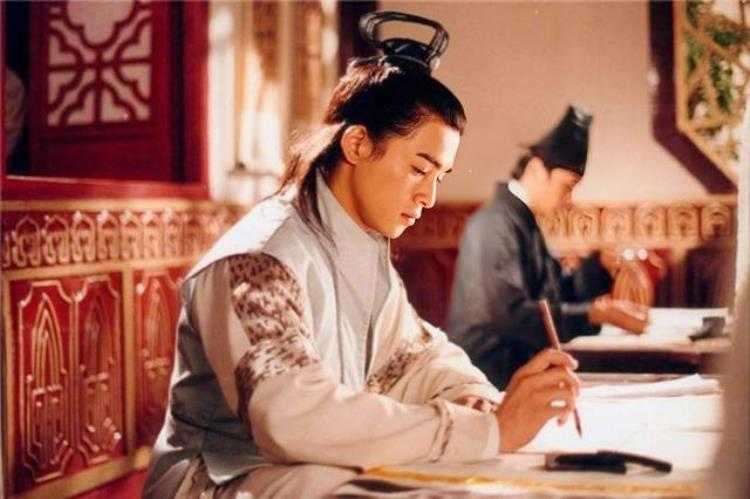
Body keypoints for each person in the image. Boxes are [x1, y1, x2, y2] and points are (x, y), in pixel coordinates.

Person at [144, 13, 581, 498]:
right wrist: (484, 432)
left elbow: (416, 356)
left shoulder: (358, 241)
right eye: (419, 169)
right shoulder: (259, 259)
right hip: (217, 479)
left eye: (440, 177)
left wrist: (474, 397)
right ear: (357, 143)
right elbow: (292, 417)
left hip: (299, 469)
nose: (429, 197)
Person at [447, 105, 649, 389]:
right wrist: (595, 313)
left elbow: (555, 293)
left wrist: (598, 265)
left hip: (516, 372)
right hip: (487, 379)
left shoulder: (522, 221)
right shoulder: (494, 224)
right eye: (567, 187)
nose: (569, 201)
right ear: (536, 169)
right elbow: (511, 316)